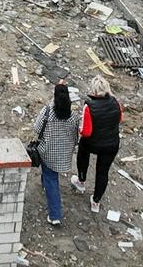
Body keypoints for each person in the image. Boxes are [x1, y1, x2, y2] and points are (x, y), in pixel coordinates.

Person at [32, 80, 78, 227]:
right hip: (64, 155)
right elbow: (76, 137)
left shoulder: (47, 113)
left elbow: (37, 128)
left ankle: (55, 215)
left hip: (47, 152)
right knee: (49, 175)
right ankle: (44, 184)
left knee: (52, 180)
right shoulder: (73, 117)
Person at [75, 77, 123, 206]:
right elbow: (119, 119)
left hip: (92, 143)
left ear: (94, 90)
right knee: (103, 172)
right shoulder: (116, 103)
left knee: (82, 153)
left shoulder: (89, 106)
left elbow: (86, 132)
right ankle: (96, 201)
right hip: (111, 144)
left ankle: (81, 181)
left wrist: (79, 129)